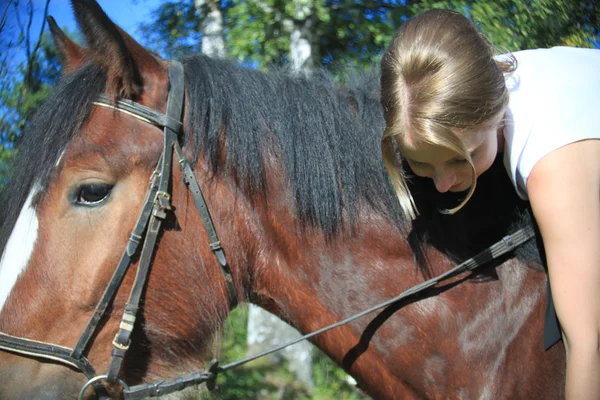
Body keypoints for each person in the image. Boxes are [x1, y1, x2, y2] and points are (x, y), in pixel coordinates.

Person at [380, 9, 600, 399]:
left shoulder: (552, 158)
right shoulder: (470, 75)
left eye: (461, 158)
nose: (445, 183)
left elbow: (589, 342)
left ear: (496, 111)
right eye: (420, 163)